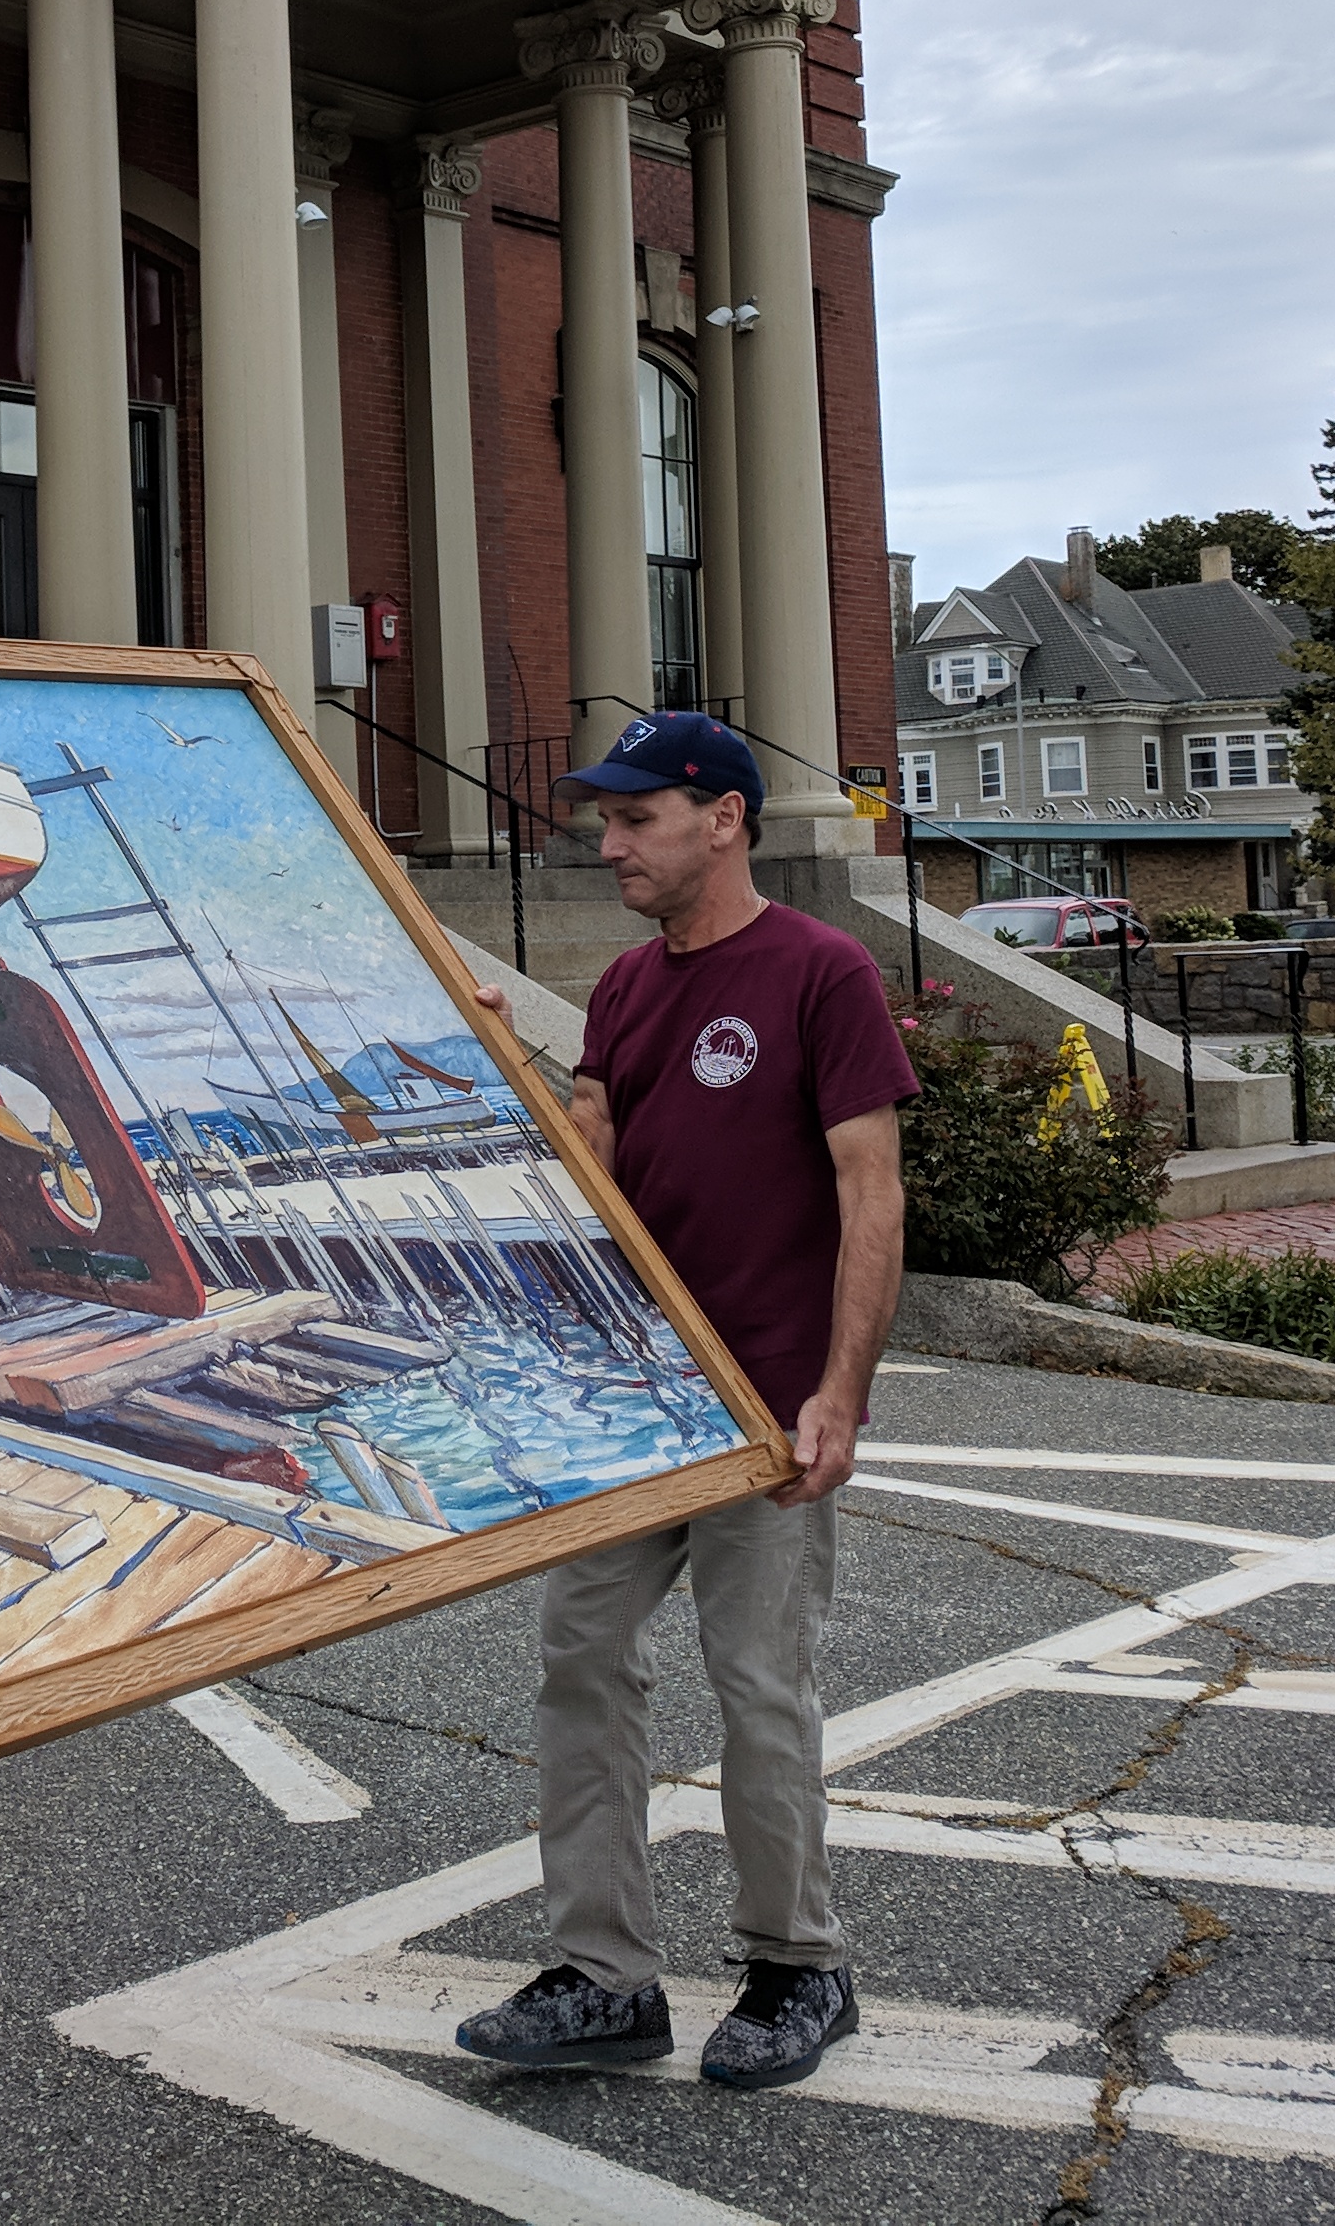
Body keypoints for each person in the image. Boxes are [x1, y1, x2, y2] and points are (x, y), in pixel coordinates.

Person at [452, 711, 913, 2093]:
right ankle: (604, 1978)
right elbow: (592, 1161)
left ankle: (798, 1965)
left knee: (760, 1684)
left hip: (767, 1399)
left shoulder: (821, 974)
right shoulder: (626, 991)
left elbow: (869, 1191)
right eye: (606, 821)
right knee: (579, 1660)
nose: (609, 845)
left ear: (723, 817)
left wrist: (841, 1394)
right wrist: (504, 1069)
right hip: (642, 1403)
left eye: (635, 818)